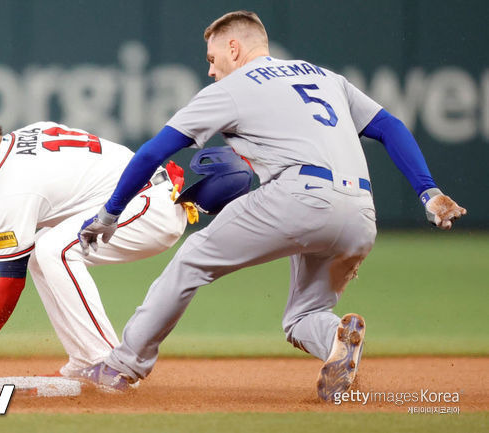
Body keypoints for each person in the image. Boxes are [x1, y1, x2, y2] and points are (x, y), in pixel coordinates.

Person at [76, 10, 467, 400]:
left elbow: (151, 153)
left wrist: (111, 212)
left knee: (193, 257)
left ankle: (120, 367)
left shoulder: (231, 89)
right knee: (303, 317)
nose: (211, 71)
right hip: (361, 212)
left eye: (212, 59)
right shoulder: (323, 76)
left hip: (298, 196)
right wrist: (428, 191)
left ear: (234, 47)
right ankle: (336, 337)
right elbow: (390, 127)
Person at [0, 109, 188, 379]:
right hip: (144, 196)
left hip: (150, 205)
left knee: (55, 251)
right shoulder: (29, 133)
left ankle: (109, 363)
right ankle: (85, 359)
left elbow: (11, 281)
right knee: (41, 252)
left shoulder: (13, 188)